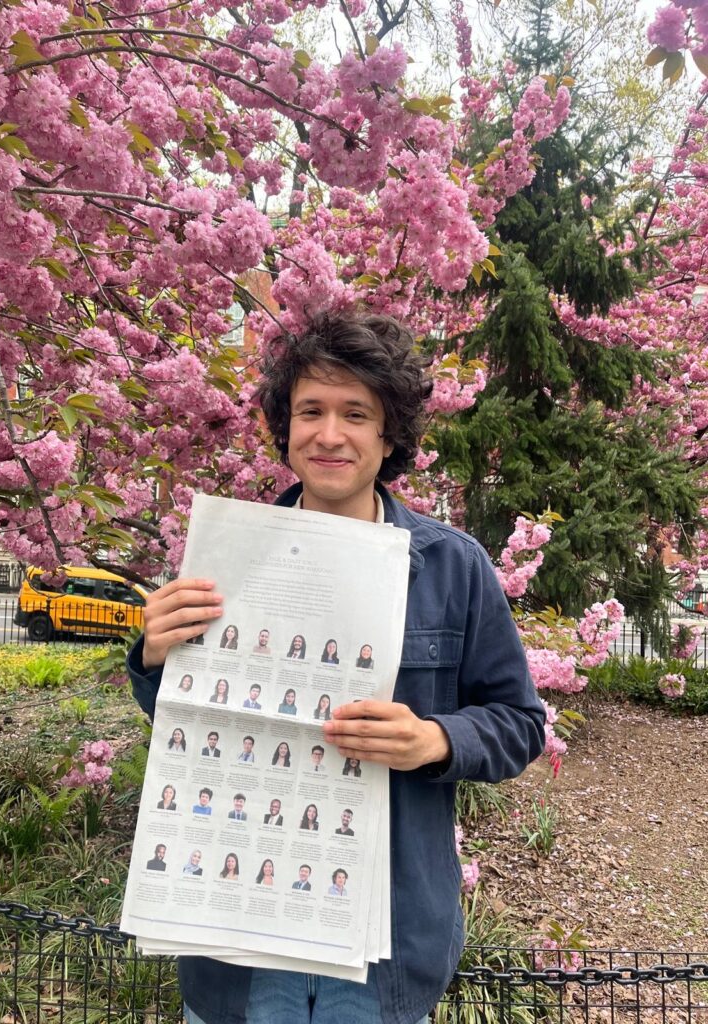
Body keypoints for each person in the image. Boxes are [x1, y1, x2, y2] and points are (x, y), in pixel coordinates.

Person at [128, 312, 545, 1024]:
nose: (329, 434)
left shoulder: (454, 567)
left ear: (389, 437)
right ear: (284, 429)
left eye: (356, 413)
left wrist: (436, 740)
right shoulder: (230, 558)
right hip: (239, 945)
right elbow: (191, 721)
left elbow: (519, 724)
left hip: (380, 949)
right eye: (310, 411)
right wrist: (152, 655)